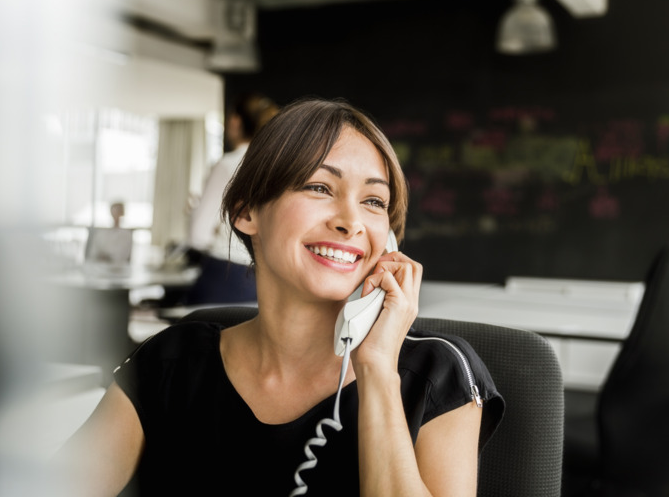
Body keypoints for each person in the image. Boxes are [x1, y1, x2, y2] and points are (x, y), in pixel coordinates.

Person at [55, 98, 504, 496]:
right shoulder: (173, 360)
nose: (351, 221)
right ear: (247, 211)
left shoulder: (438, 375)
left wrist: (378, 372)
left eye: (373, 202)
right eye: (320, 188)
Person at [185, 92, 279, 304]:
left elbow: (197, 235)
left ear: (235, 121)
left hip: (226, 275)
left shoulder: (229, 165)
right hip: (268, 280)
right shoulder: (278, 168)